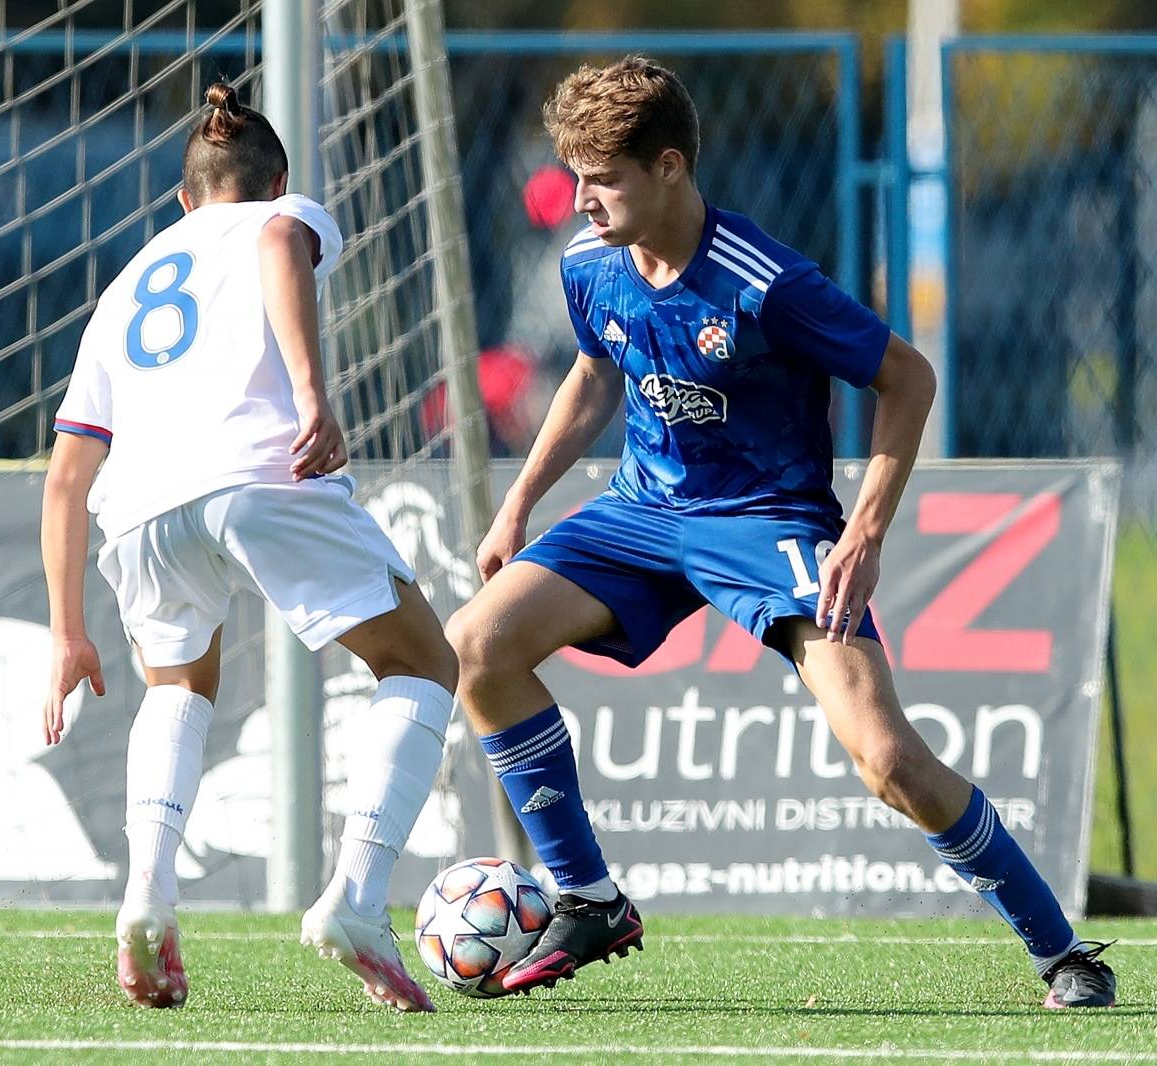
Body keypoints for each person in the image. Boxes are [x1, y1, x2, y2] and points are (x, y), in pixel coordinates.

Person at [444, 56, 1116, 1009]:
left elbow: (908, 378)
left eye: (604, 178)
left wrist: (867, 533)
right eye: (578, 176)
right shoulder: (589, 263)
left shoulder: (766, 282)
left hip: (769, 523)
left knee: (888, 761)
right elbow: (596, 371)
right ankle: (588, 899)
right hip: (643, 513)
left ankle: (1064, 953)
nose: (582, 200)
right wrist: (520, 502)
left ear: (670, 167)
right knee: (477, 647)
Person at [40, 82, 456, 1014]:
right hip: (256, 475)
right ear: (275, 181)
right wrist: (312, 395)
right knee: (425, 661)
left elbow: (66, 475)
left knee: (178, 688)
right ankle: (355, 895)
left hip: (138, 505)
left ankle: (148, 887)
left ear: (183, 198)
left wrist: (68, 631)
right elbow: (276, 243)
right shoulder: (278, 215)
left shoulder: (123, 286)